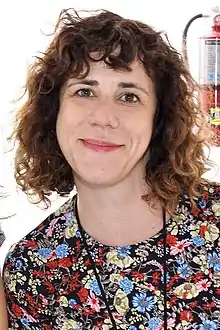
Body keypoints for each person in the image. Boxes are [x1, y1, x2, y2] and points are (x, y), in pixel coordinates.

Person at [2, 8, 220, 330]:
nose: (104, 116)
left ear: (159, 121)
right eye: (85, 91)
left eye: (129, 96)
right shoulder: (31, 268)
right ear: (53, 113)